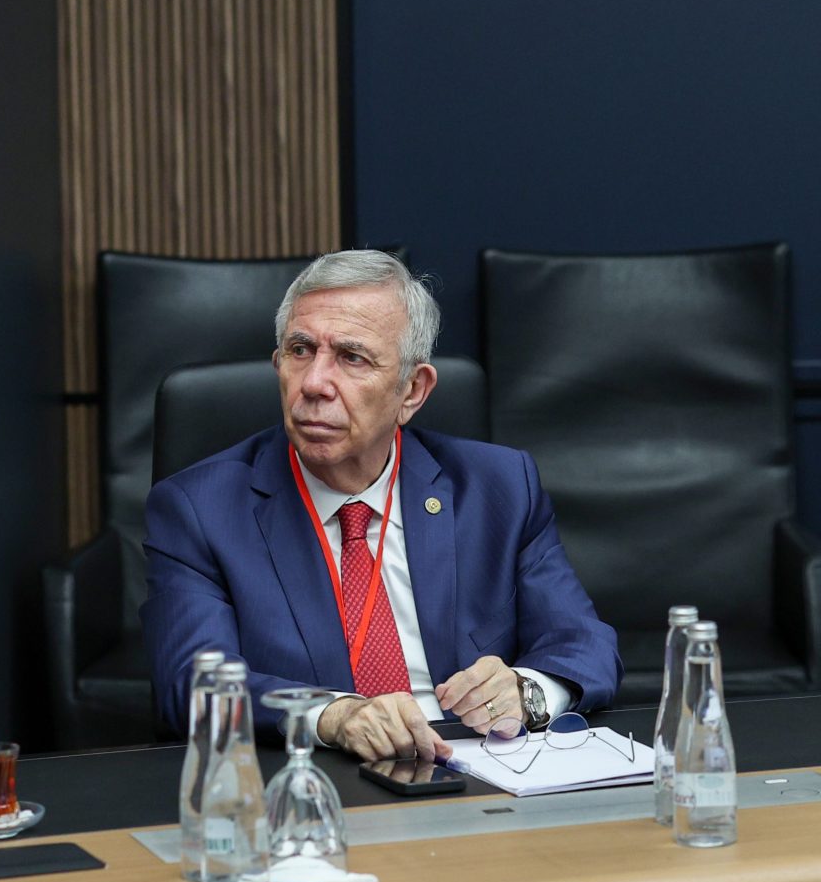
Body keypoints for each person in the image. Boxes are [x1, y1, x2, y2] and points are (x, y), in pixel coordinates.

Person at [143, 250, 620, 762]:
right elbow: (192, 685)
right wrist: (333, 716)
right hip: (319, 774)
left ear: (412, 390)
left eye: (352, 358)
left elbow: (584, 645)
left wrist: (525, 692)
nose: (314, 383)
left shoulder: (498, 487)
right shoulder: (199, 510)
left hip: (482, 767)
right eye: (300, 350)